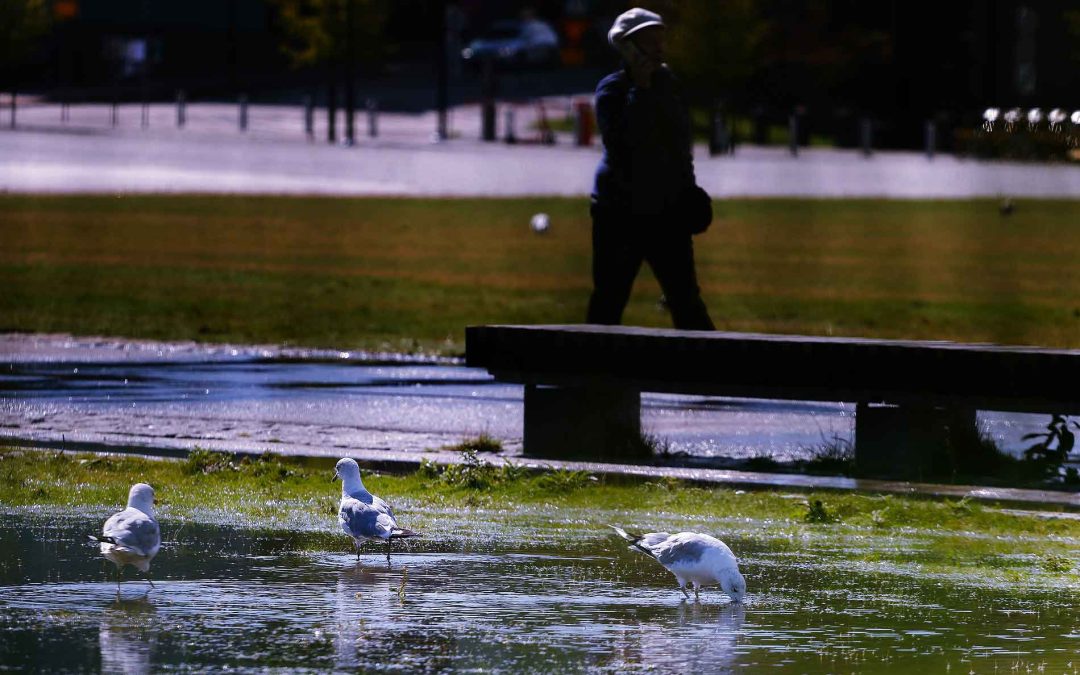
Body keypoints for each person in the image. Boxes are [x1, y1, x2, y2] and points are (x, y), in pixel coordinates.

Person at [586, 7, 715, 330]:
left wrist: (689, 189)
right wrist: (640, 89)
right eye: (650, 41)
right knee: (609, 299)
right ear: (628, 47)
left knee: (686, 299)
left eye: (661, 41)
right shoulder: (612, 90)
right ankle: (588, 373)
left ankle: (712, 373)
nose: (659, 48)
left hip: (666, 210)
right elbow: (624, 146)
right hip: (620, 212)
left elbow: (678, 146)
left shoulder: (668, 84)